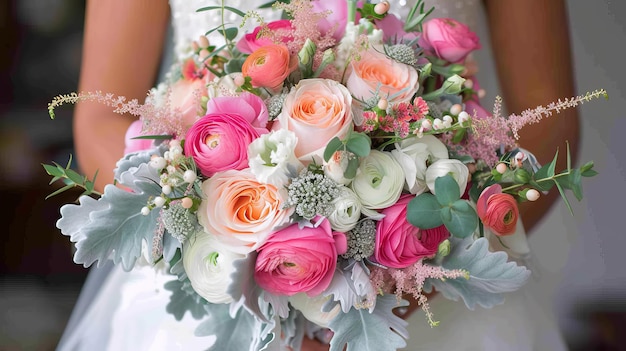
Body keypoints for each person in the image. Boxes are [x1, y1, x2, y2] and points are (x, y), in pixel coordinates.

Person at [60, 0, 579, 350]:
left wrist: (409, 279)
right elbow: (101, 119)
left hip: (436, 307)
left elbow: (549, 116)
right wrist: (203, 226)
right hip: (209, 298)